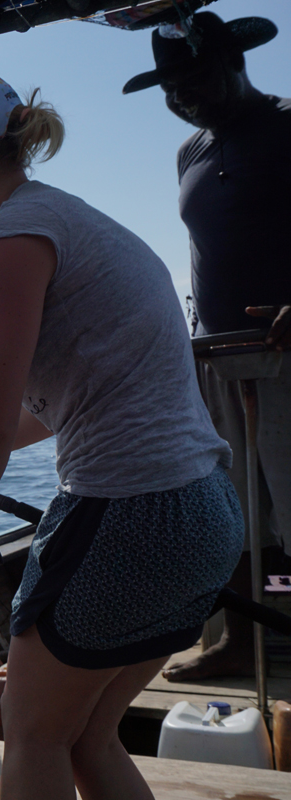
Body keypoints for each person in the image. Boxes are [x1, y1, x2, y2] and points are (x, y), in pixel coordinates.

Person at [0, 67, 244, 799]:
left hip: (129, 518)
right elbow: (66, 399)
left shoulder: (11, 234)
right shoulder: (69, 219)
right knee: (83, 738)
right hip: (203, 518)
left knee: (32, 733)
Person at [122, 11, 291, 681]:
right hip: (215, 363)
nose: (182, 96)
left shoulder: (287, 123)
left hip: (285, 359)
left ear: (234, 62)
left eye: (193, 78)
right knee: (234, 515)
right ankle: (241, 643)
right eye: (171, 87)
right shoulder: (189, 152)